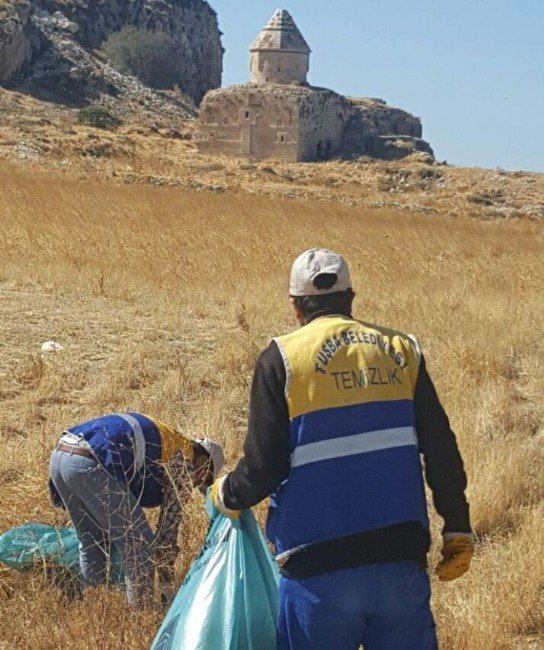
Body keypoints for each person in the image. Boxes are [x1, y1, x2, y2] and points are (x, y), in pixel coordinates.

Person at [212, 248, 474, 649]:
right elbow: (441, 448)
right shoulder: (403, 351)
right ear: (350, 298)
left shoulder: (282, 359)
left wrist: (226, 494)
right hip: (399, 564)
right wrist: (457, 525)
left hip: (318, 573)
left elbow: (264, 469)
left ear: (296, 307)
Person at [49, 412, 223, 609]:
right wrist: (168, 592)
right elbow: (166, 540)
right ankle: (141, 619)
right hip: (90, 462)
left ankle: (92, 608)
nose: (197, 484)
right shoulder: (184, 460)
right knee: (139, 547)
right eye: (204, 479)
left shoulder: (169, 440)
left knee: (92, 542)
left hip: (60, 455)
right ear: (202, 463)